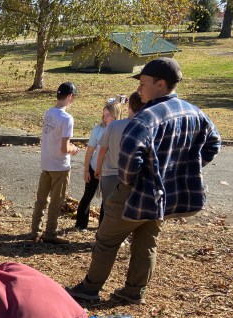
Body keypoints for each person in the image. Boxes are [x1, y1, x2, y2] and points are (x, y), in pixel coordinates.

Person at [67, 57, 221, 304]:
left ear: (160, 84)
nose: (139, 89)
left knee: (106, 240)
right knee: (146, 243)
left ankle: (89, 288)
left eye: (143, 83)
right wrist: (186, 167)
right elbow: (214, 143)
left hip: (135, 193)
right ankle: (133, 292)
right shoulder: (194, 112)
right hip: (163, 195)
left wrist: (129, 182)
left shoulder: (146, 118)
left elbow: (130, 156)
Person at [31, 82, 80, 245]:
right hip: (60, 166)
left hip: (46, 163)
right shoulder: (67, 118)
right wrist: (73, 148)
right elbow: (64, 147)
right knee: (56, 201)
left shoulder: (49, 113)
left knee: (41, 199)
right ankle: (50, 233)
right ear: (70, 97)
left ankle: (35, 230)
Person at [74, 101, 123, 230]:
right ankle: (80, 224)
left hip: (111, 171)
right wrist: (86, 170)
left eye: (108, 115)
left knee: (107, 200)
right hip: (95, 167)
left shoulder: (121, 129)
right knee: (88, 195)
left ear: (116, 115)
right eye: (104, 115)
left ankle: (103, 227)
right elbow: (90, 151)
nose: (104, 118)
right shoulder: (97, 129)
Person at [94, 93, 145, 211]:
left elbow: (102, 150)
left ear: (129, 107)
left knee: (109, 210)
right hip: (133, 176)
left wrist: (98, 169)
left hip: (110, 175)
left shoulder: (113, 126)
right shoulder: (144, 127)